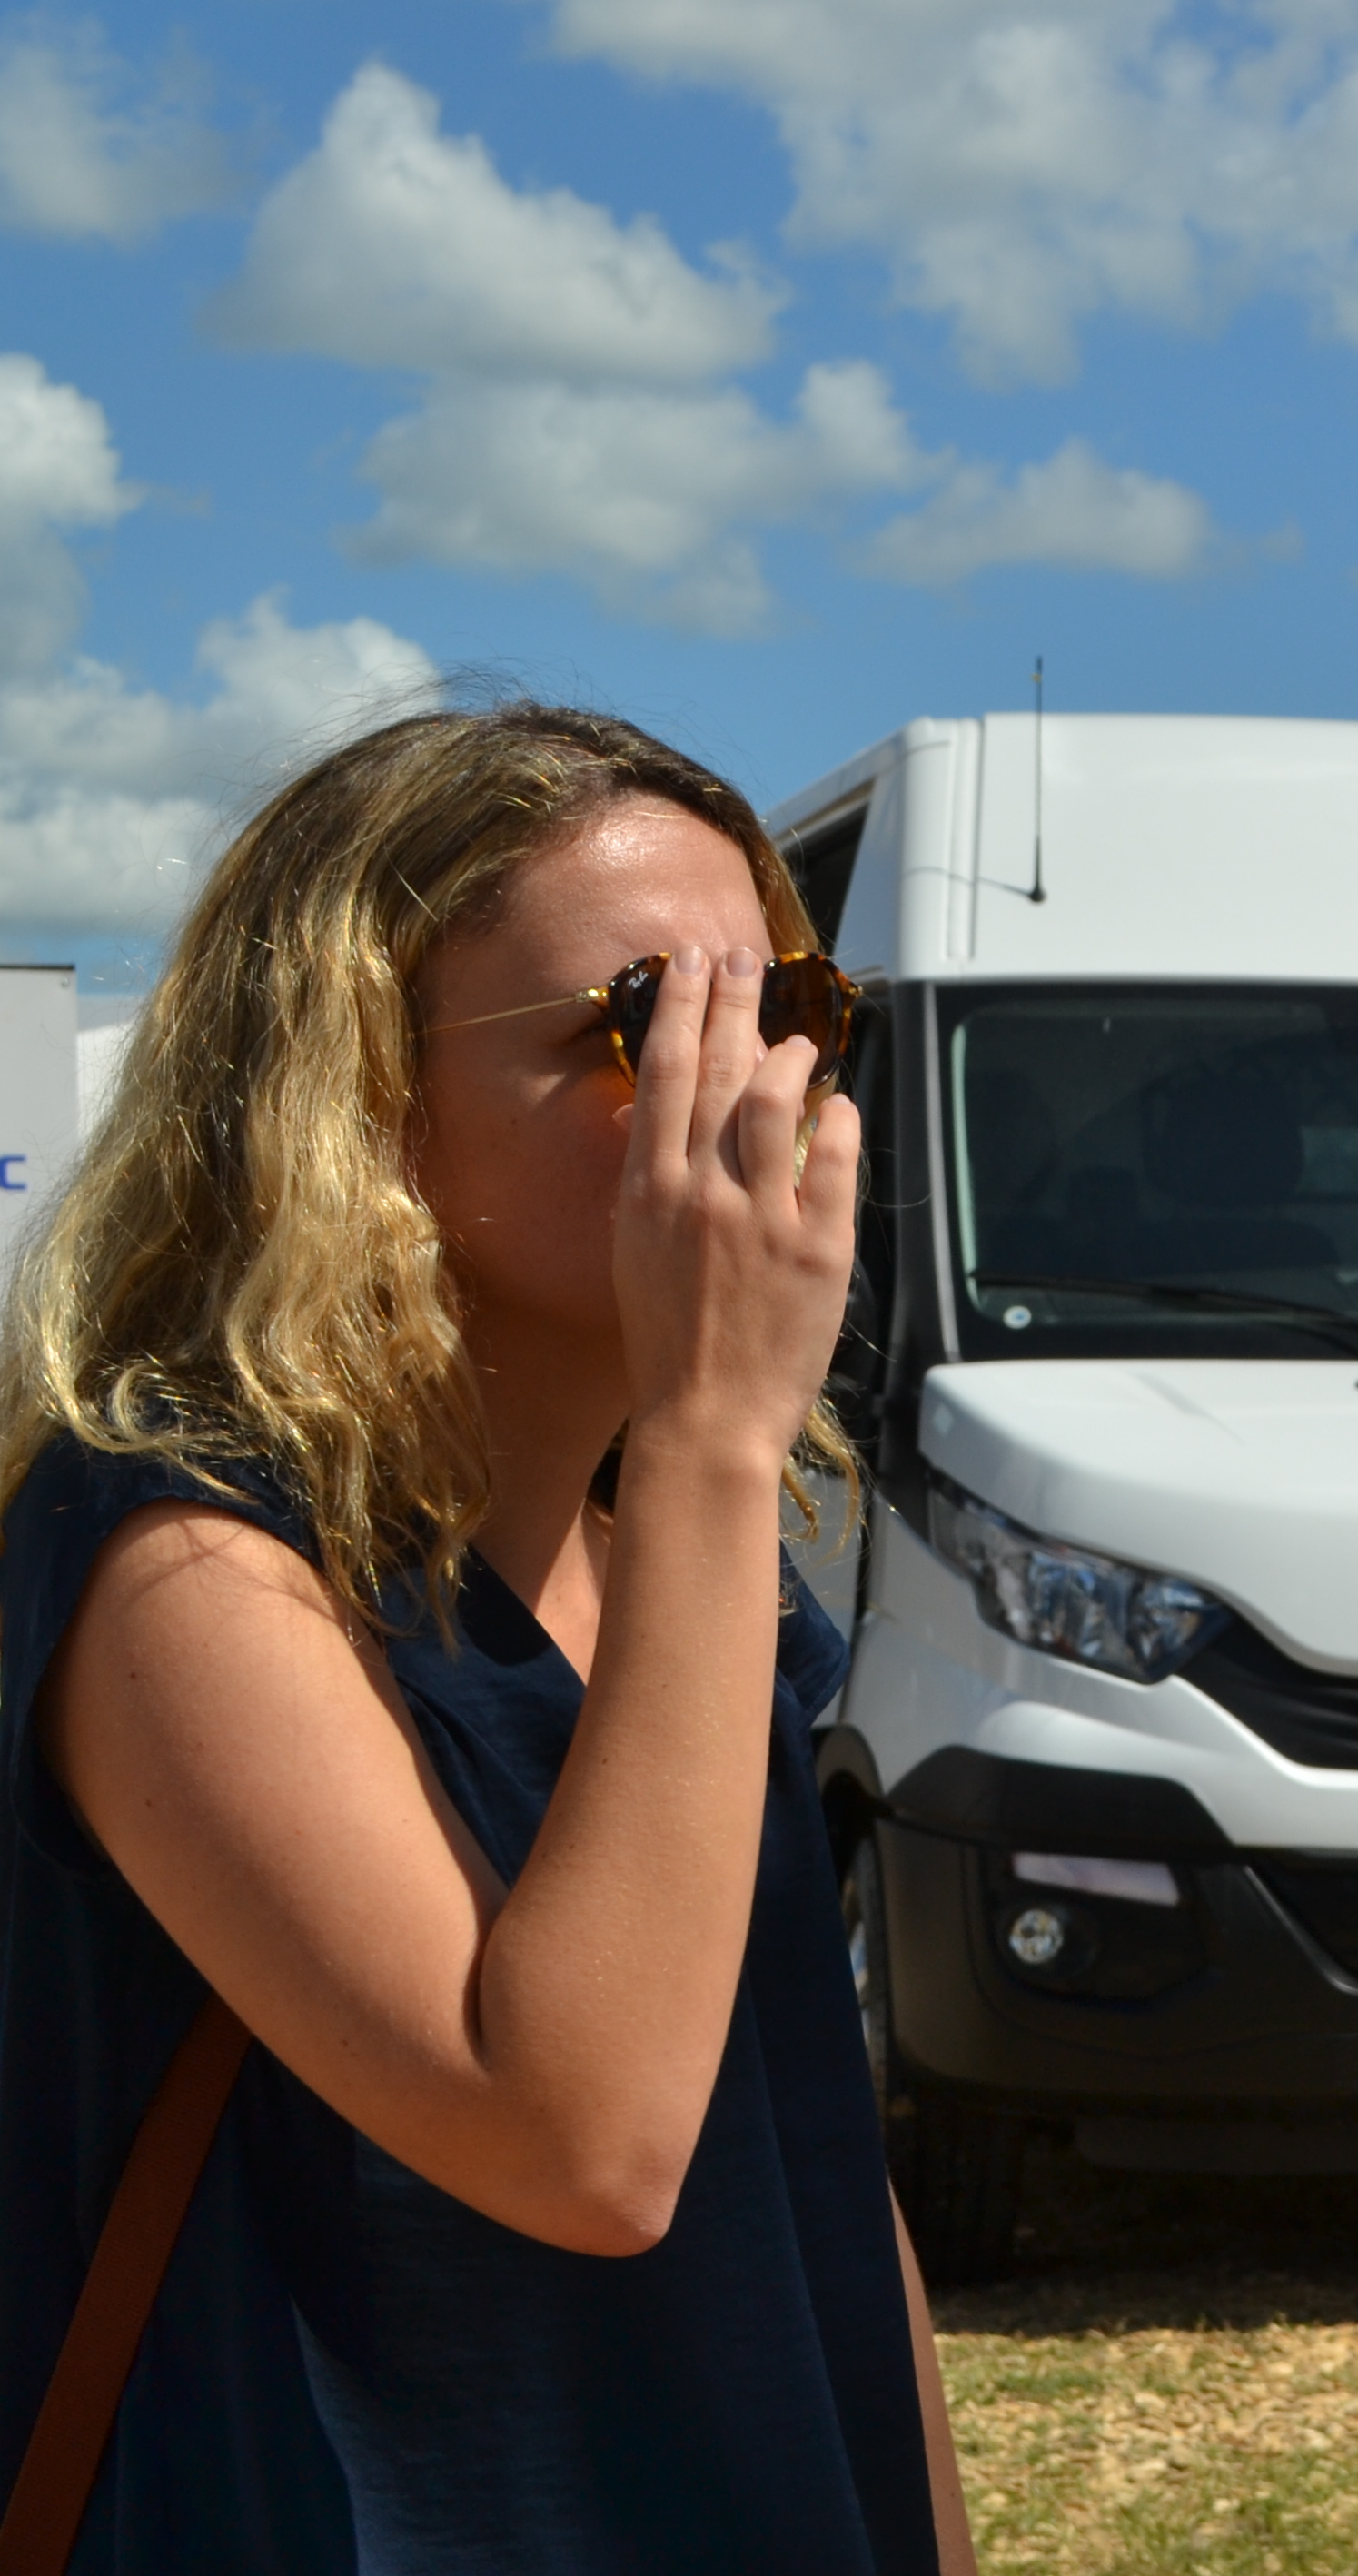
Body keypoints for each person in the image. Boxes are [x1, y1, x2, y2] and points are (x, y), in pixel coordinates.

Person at [0, 705, 972, 2571]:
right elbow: (582, 2145)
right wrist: (711, 1434)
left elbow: (805, 2166)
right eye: (647, 1026)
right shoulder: (182, 1566)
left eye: (789, 1011)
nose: (753, 1090)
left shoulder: (677, 1569)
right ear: (354, 1097)